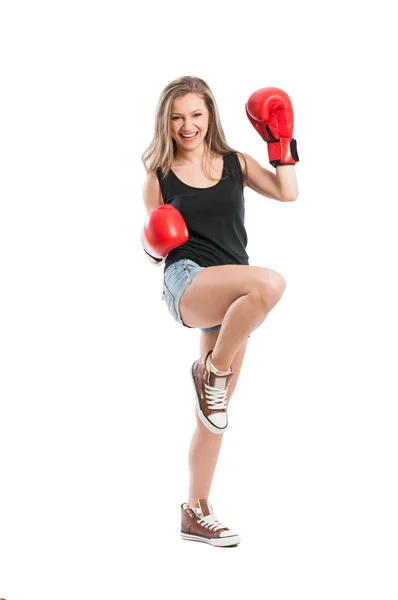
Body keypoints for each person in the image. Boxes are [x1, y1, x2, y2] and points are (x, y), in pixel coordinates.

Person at [141, 76, 299, 547]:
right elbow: (153, 249)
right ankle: (211, 371)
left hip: (235, 295)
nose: (187, 125)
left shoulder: (236, 164)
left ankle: (196, 510)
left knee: (214, 413)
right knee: (271, 283)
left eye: (195, 114)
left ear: (210, 115)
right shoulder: (160, 178)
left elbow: (288, 192)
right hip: (187, 280)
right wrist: (154, 242)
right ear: (165, 123)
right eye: (177, 116)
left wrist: (281, 142)